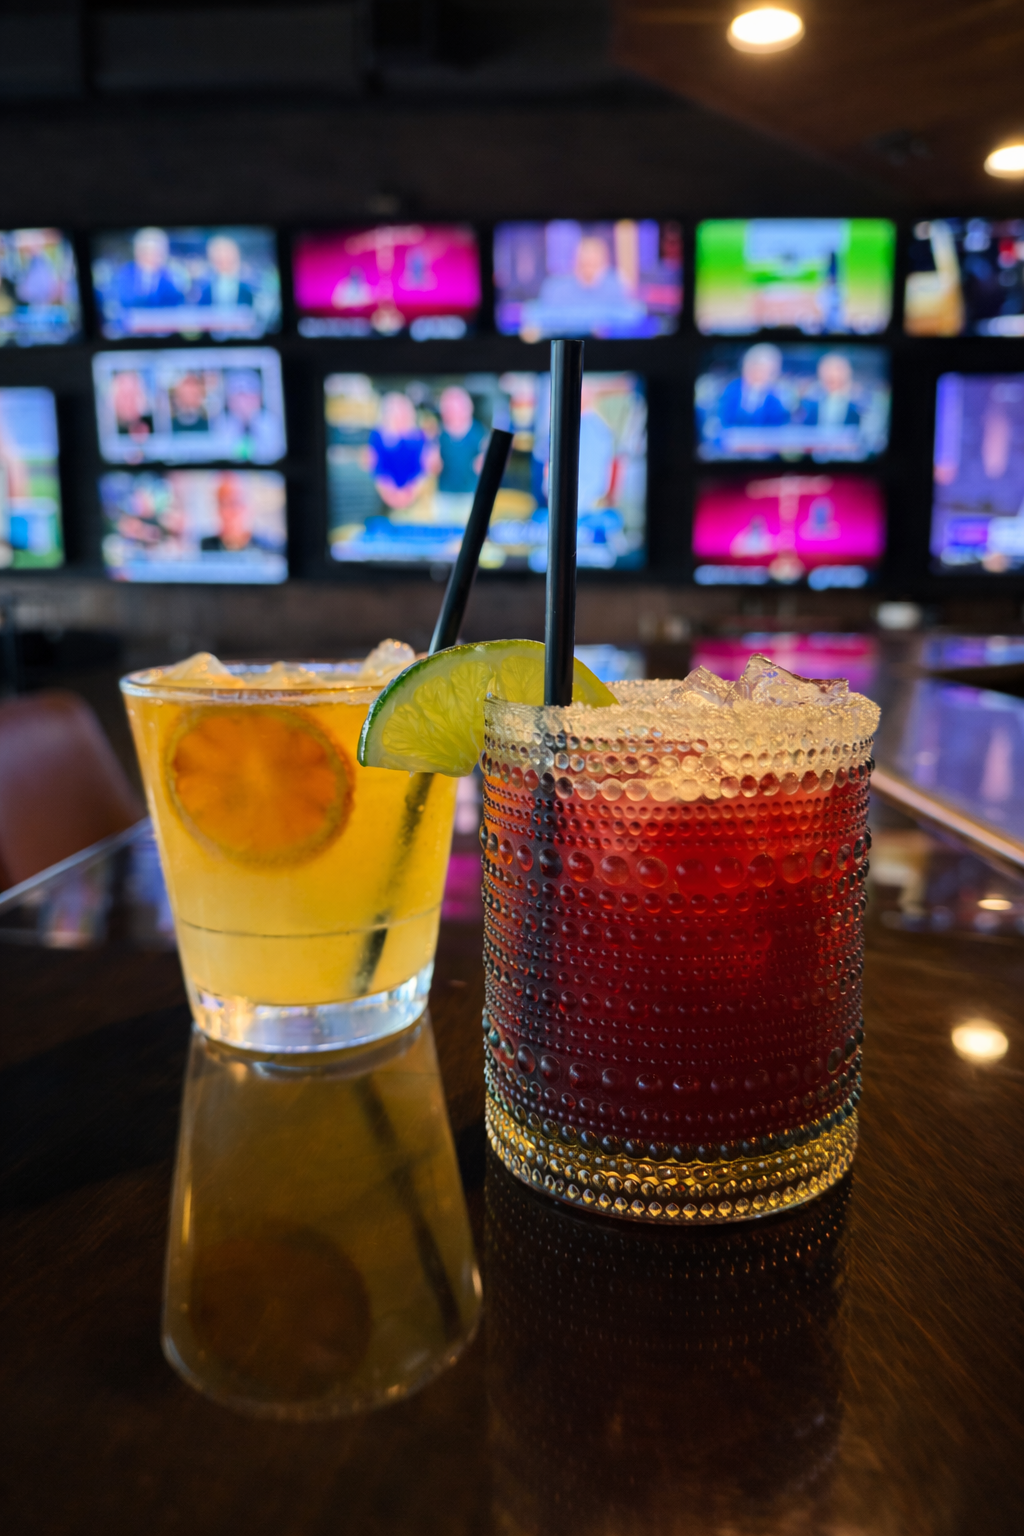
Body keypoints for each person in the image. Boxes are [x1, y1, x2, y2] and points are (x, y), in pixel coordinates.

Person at [521, 233, 645, 339]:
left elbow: (634, 316)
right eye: (584, 262)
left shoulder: (615, 283)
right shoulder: (555, 286)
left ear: (604, 262)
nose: (588, 268)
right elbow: (535, 317)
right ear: (574, 261)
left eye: (594, 263)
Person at [366, 392, 438, 510]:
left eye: (403, 411)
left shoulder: (420, 437)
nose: (400, 415)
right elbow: (375, 469)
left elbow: (425, 469)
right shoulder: (377, 436)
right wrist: (390, 494)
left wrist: (411, 491)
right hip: (385, 501)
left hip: (414, 500)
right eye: (395, 411)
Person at [436, 386, 486, 520]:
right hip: (445, 494)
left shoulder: (478, 432)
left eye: (457, 408)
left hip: (470, 494)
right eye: (449, 408)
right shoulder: (439, 433)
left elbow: (486, 460)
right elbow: (434, 465)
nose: (454, 413)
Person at [716, 344, 790, 428]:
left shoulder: (774, 395)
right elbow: (724, 419)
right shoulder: (732, 389)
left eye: (769, 371)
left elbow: (777, 424)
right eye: (760, 368)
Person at [219, 369, 284, 462]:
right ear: (228, 401)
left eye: (249, 395)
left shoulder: (273, 425)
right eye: (237, 396)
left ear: (260, 397)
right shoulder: (220, 427)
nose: (243, 402)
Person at [115, 228, 185, 312]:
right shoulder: (125, 273)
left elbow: (177, 303)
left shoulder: (172, 276)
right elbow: (124, 302)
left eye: (158, 251)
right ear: (137, 251)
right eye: (147, 251)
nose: (152, 256)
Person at [800, 352, 861, 428]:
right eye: (826, 369)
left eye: (838, 369)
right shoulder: (808, 402)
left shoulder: (859, 403)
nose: (831, 374)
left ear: (848, 372)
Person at [195, 236, 256, 311]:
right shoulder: (203, 291)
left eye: (227, 255)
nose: (223, 259)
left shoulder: (247, 291)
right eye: (218, 255)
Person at [111, 370, 154, 443]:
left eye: (134, 395)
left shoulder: (155, 425)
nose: (130, 402)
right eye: (125, 396)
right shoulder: (109, 432)